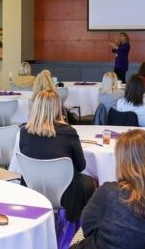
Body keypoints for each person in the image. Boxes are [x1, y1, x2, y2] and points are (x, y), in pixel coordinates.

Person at [18, 90, 96, 222]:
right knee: (89, 182)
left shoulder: (24, 132)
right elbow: (81, 166)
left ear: (36, 107)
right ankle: (77, 231)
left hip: (32, 188)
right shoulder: (68, 132)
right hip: (66, 193)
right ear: (57, 108)